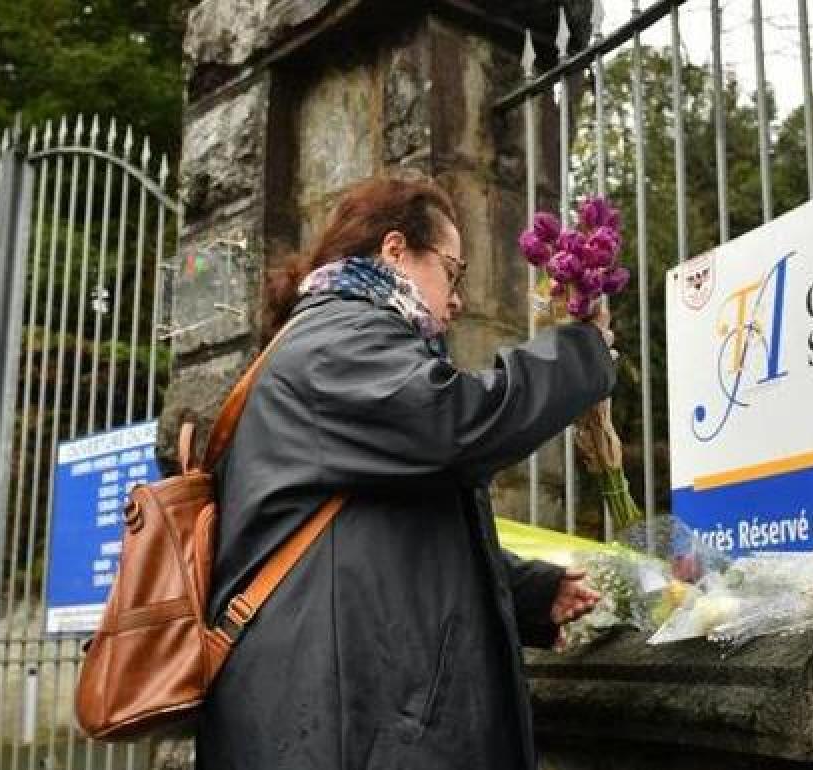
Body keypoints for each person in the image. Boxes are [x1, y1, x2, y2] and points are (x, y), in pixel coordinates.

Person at [195, 175, 614, 770]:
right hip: (331, 730)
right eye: (453, 270)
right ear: (395, 251)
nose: (460, 298)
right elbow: (454, 427)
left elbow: (384, 534)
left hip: (331, 720)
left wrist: (530, 592)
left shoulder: (338, 341)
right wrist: (581, 353)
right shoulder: (337, 338)